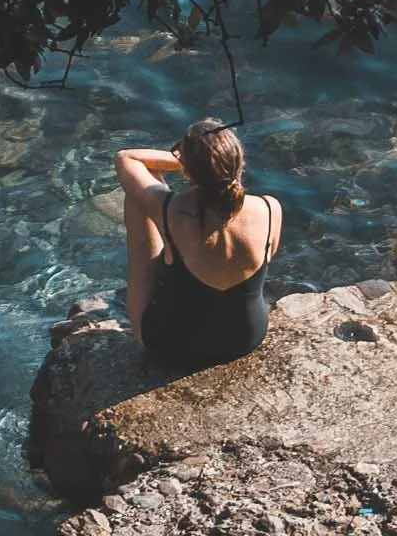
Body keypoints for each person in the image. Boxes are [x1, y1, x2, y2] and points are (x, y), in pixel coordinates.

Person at [116, 117, 282, 370]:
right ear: (239, 160)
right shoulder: (270, 208)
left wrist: (189, 161)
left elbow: (127, 157)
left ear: (189, 170)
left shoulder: (170, 210)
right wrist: (213, 165)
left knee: (139, 213)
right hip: (246, 338)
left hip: (172, 346)